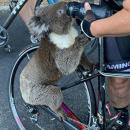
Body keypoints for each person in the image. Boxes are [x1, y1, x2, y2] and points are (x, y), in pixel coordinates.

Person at [14, 0, 130, 129]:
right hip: (36, 88)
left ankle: (121, 114)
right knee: (55, 96)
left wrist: (86, 57)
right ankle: (56, 110)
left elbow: (75, 52)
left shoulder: (64, 33)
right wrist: (87, 35)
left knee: (79, 51)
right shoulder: (55, 40)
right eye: (61, 12)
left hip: (120, 20)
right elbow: (67, 67)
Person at [68, 0, 130, 129]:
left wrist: (92, 28)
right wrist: (93, 27)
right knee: (120, 80)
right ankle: (119, 115)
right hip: (117, 11)